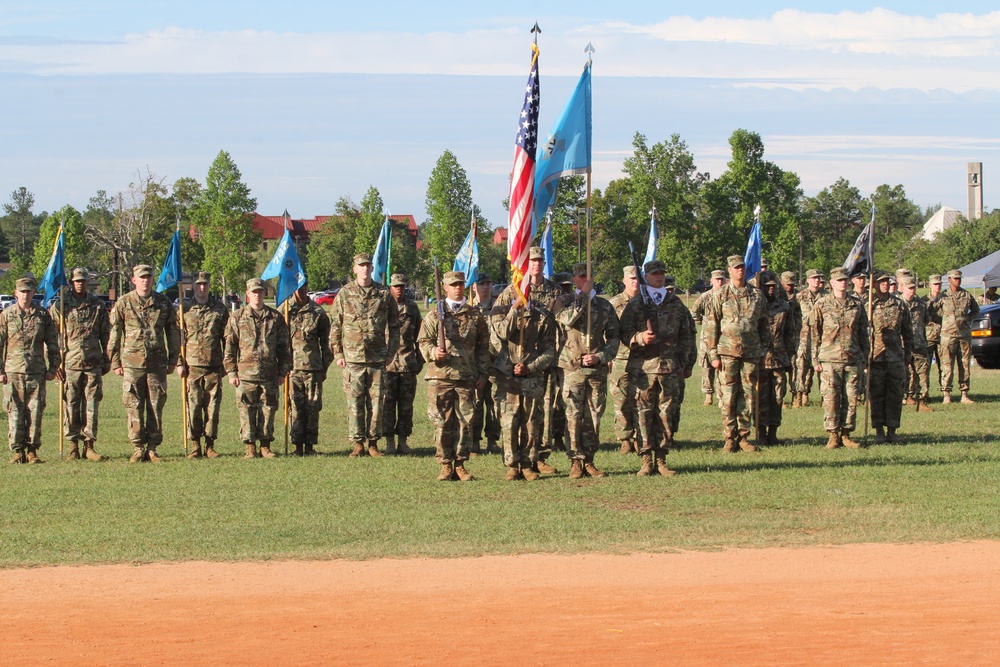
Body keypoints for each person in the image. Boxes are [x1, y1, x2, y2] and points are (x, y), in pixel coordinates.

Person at [619, 259, 695, 476]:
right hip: (642, 369)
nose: (659, 277)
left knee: (666, 414)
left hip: (669, 368)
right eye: (654, 274)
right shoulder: (635, 304)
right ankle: (646, 460)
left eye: (661, 273)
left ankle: (661, 459)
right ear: (646, 276)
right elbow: (623, 334)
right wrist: (640, 337)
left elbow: (687, 335)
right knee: (642, 414)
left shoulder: (675, 303)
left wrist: (687, 363)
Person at [492, 247, 562, 473]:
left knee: (537, 416)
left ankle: (535, 459)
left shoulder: (554, 291)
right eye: (531, 260)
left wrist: (533, 365)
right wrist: (510, 365)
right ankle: (512, 463)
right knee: (511, 419)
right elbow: (499, 333)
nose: (536, 264)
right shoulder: (509, 293)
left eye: (540, 260)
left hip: (540, 363)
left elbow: (556, 330)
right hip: (510, 368)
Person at [417, 270, 490, 481]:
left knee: (465, 422)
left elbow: (483, 349)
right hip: (440, 376)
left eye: (460, 284)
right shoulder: (434, 315)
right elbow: (424, 342)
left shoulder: (475, 316)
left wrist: (483, 375)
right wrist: (433, 352)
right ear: (445, 288)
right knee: (442, 422)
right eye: (453, 285)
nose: (457, 288)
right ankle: (445, 464)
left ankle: (460, 464)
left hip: (466, 376)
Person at [330, 253, 400, 457]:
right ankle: (358, 443)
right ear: (354, 269)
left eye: (368, 265)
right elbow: (336, 325)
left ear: (372, 268)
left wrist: (391, 352)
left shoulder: (383, 294)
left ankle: (373, 443)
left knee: (377, 403)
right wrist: (338, 353)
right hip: (352, 358)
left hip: (378, 358)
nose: (365, 269)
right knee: (355, 402)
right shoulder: (344, 293)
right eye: (361, 265)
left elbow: (394, 327)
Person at [109, 264, 180, 463]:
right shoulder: (124, 303)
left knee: (156, 406)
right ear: (134, 280)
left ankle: (152, 448)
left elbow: (173, 332)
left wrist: (174, 359)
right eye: (141, 277)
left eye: (148, 277)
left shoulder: (163, 302)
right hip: (132, 363)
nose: (145, 280)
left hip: (157, 363)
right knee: (133, 405)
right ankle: (138, 447)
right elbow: (115, 333)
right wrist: (115, 361)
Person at [557, 262, 620, 478]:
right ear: (574, 279)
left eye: (588, 276)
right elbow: (567, 319)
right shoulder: (565, 301)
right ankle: (575, 460)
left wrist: (601, 357)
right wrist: (583, 296)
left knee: (593, 415)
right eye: (580, 276)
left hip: (596, 370)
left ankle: (590, 459)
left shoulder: (604, 306)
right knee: (573, 415)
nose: (585, 279)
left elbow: (614, 338)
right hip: (572, 368)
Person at [703, 255, 770, 452]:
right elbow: (711, 325)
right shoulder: (721, 294)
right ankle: (729, 437)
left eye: (742, 267)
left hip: (751, 353)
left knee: (748, 396)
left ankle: (743, 437)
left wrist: (763, 350)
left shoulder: (757, 295)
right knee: (728, 396)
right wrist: (713, 354)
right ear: (729, 271)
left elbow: (764, 325)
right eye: (736, 268)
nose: (740, 270)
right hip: (727, 353)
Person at [223, 278, 291, 459]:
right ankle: (250, 446)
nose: (257, 295)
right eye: (254, 292)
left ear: (264, 293)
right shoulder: (237, 317)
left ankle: (265, 446)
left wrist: (283, 372)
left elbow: (284, 347)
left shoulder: (275, 317)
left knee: (268, 409)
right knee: (246, 409)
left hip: (270, 373)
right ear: (247, 295)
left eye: (260, 292)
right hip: (245, 374)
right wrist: (231, 372)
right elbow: (230, 347)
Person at [51, 267, 110, 461]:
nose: (80, 284)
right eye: (77, 280)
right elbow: (52, 337)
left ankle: (89, 445)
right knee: (71, 405)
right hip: (70, 364)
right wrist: (55, 363)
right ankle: (72, 446)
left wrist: (107, 359)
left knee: (91, 405)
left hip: (93, 363)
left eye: (83, 281)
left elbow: (106, 335)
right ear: (71, 282)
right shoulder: (61, 305)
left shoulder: (98, 305)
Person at [1, 276, 60, 463]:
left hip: (36, 371)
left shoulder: (43, 315)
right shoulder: (6, 315)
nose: (25, 295)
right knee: (15, 411)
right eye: (22, 291)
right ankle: (18, 451)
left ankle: (33, 450)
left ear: (34, 293)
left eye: (29, 291)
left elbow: (52, 343)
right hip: (13, 371)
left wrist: (53, 367)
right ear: (16, 293)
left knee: (35, 411)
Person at [810, 267, 869, 449]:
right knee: (831, 398)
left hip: (852, 358)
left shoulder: (856, 304)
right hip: (829, 359)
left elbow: (862, 333)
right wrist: (815, 359)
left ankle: (846, 433)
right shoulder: (822, 304)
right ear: (832, 283)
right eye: (839, 280)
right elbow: (814, 333)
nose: (843, 283)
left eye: (845, 280)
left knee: (851, 399)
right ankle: (833, 434)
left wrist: (865, 357)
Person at [176, 271, 229, 459]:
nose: (201, 288)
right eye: (198, 284)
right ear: (193, 286)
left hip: (214, 365)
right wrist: (179, 363)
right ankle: (195, 445)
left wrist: (227, 363)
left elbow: (227, 338)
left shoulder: (220, 309)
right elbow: (178, 337)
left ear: (209, 286)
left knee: (213, 409)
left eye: (205, 284)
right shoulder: (185, 309)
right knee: (194, 407)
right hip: (192, 367)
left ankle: (210, 445)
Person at [868, 271, 913, 443]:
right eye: (881, 282)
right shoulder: (868, 305)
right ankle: (879, 431)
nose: (885, 284)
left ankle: (892, 431)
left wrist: (907, 354)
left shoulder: (899, 305)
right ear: (874, 285)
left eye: (887, 281)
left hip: (895, 357)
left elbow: (908, 332)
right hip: (876, 357)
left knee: (895, 395)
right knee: (877, 396)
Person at [288, 284, 332, 456]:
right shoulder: (284, 311)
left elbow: (327, 344)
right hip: (291, 369)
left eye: (303, 286)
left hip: (313, 368)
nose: (300, 290)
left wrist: (324, 367)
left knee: (313, 408)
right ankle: (297, 446)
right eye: (297, 286)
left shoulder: (317, 312)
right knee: (295, 408)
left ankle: (310, 446)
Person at [382, 273, 422, 455]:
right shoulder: (382, 306)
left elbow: (420, 337)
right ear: (390, 287)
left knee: (406, 406)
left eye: (402, 286)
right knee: (387, 404)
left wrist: (419, 361)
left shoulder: (412, 308)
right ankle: (389, 442)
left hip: (407, 363)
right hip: (387, 365)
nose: (399, 289)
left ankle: (403, 441)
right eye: (396, 286)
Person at [929, 269, 979, 404]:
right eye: (955, 278)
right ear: (949, 280)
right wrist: (943, 322)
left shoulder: (966, 295)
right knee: (947, 365)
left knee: (964, 365)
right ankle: (946, 394)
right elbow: (931, 311)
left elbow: (976, 310)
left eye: (959, 278)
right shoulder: (943, 296)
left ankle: (964, 393)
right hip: (948, 336)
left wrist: (967, 319)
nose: (957, 280)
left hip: (964, 335)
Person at [759, 272, 797, 445]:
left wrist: (790, 356)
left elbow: (790, 333)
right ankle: (760, 432)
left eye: (774, 286)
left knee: (778, 397)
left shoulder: (784, 306)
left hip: (779, 359)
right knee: (760, 398)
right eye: (768, 287)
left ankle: (773, 432)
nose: (771, 289)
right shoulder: (756, 306)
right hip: (760, 359)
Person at [608, 265, 641, 454]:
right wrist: (608, 356)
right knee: (621, 400)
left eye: (637, 278)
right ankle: (625, 439)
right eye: (631, 278)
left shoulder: (647, 302)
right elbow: (608, 332)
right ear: (624, 281)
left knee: (641, 400)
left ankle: (639, 437)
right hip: (620, 357)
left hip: (643, 359)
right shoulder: (615, 303)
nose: (635, 282)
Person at [469, 273, 500, 455]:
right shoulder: (469, 309)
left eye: (488, 283)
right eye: (481, 284)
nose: (485, 287)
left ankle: (492, 440)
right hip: (474, 364)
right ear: (474, 287)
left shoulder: (499, 307)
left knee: (495, 403)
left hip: (496, 362)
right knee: (475, 403)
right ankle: (474, 442)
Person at [792, 269, 827, 408]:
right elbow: (793, 313)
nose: (816, 280)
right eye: (813, 278)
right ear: (807, 280)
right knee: (801, 367)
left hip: (822, 338)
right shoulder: (800, 296)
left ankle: (824, 398)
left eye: (818, 278)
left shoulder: (826, 296)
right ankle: (800, 395)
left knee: (821, 368)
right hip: (803, 337)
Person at [900, 277, 934, 413]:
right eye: (909, 288)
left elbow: (926, 320)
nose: (912, 291)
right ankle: (903, 397)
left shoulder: (921, 304)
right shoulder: (897, 304)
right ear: (902, 288)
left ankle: (922, 401)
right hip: (901, 345)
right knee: (902, 374)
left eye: (914, 288)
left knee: (922, 374)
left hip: (918, 344)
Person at [692, 269, 725, 407]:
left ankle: (721, 395)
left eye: (722, 279)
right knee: (707, 367)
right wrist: (701, 322)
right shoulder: (706, 296)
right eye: (717, 279)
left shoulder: (727, 296)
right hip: (707, 337)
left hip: (723, 337)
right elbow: (694, 311)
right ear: (711, 281)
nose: (720, 282)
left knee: (722, 366)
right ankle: (708, 395)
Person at [780, 271, 803, 406]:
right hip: (780, 338)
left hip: (794, 337)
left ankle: (796, 395)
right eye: (788, 284)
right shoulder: (777, 297)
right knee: (781, 369)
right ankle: (781, 398)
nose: (790, 287)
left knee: (795, 367)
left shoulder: (797, 297)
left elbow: (799, 315)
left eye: (792, 284)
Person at [925, 274, 943, 393]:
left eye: (939, 284)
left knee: (944, 366)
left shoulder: (946, 299)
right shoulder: (923, 301)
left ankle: (945, 391)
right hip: (928, 337)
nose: (938, 286)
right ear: (930, 285)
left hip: (943, 336)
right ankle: (925, 392)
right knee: (926, 366)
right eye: (935, 284)